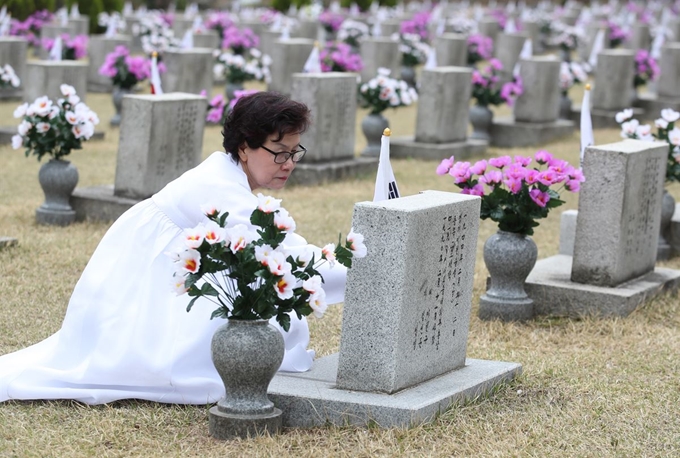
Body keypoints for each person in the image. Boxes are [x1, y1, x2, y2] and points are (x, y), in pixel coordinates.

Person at [0, 92, 347, 405]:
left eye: (294, 152)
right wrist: (359, 272)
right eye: (279, 153)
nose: (289, 163)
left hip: (153, 271)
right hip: (139, 282)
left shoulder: (228, 176)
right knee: (168, 369)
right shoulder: (219, 188)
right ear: (244, 147)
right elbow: (286, 256)